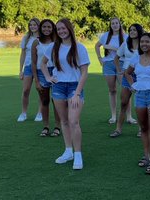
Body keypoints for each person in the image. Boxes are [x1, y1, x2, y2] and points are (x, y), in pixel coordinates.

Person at [40, 18, 90, 170]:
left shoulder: (79, 48)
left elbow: (84, 73)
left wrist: (77, 93)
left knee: (74, 121)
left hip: (75, 87)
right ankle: (68, 151)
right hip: (59, 87)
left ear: (69, 29)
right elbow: (42, 63)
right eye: (59, 29)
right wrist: (48, 77)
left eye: (64, 28)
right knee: (64, 121)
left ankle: (78, 154)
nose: (61, 31)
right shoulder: (53, 47)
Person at [124, 33, 150, 174]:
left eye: (147, 41)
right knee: (143, 128)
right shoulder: (136, 58)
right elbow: (127, 73)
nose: (144, 44)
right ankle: (146, 156)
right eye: (142, 42)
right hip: (140, 96)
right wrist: (133, 85)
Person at [110, 24, 144, 138]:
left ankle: (141, 129)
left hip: (140, 76)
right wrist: (119, 70)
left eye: (134, 30)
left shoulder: (144, 44)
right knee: (124, 103)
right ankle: (118, 129)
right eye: (130, 30)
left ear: (139, 31)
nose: (132, 32)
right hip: (127, 75)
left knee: (140, 104)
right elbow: (116, 58)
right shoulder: (125, 43)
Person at [31, 19, 61, 137]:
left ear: (53, 28)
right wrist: (36, 81)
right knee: (44, 101)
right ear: (40, 28)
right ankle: (46, 126)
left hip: (55, 71)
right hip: (41, 72)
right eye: (44, 27)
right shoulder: (36, 43)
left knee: (57, 100)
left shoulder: (57, 42)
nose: (46, 29)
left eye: (49, 27)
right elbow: (33, 63)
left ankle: (58, 126)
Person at [95, 17, 127, 124]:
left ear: (119, 24)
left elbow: (125, 52)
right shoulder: (105, 35)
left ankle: (129, 116)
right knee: (112, 90)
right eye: (112, 23)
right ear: (110, 25)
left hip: (121, 63)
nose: (114, 25)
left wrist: (112, 47)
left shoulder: (125, 37)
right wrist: (100, 58)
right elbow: (97, 46)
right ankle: (113, 115)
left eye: (116, 23)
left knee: (125, 90)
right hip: (108, 64)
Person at [17, 18, 42, 122]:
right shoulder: (26, 37)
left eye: (34, 25)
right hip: (28, 66)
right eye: (31, 25)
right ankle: (23, 113)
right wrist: (20, 70)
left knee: (41, 90)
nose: (32, 27)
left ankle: (40, 113)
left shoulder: (43, 38)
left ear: (38, 25)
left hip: (40, 67)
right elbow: (22, 54)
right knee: (26, 90)